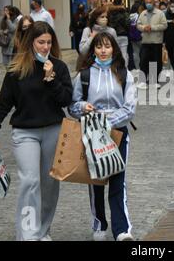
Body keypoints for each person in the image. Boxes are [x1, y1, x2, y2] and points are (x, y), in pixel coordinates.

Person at [0, 21, 73, 241]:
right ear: (31, 42)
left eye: (49, 42)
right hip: (25, 133)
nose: (45, 46)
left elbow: (66, 100)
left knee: (49, 184)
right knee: (30, 181)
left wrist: (51, 79)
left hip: (54, 130)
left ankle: (43, 230)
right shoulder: (17, 69)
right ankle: (28, 234)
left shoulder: (59, 67)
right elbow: (4, 103)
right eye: (41, 42)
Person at [69, 32, 137, 241]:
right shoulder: (84, 75)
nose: (103, 51)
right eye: (99, 47)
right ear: (93, 50)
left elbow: (130, 107)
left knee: (118, 180)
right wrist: (82, 106)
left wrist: (109, 121)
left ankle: (122, 229)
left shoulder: (125, 75)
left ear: (114, 49)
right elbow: (73, 105)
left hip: (118, 132)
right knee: (96, 180)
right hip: (92, 132)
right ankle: (99, 223)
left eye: (107, 46)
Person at [136, 0, 168, 89]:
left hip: (156, 41)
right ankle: (142, 81)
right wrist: (143, 28)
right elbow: (138, 25)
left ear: (154, 3)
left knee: (155, 61)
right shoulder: (143, 13)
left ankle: (154, 81)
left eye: (150, 2)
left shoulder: (160, 13)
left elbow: (164, 25)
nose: (148, 4)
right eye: (147, 2)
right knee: (143, 61)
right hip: (145, 41)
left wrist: (152, 28)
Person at [108, 0, 131, 66]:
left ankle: (114, 69)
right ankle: (124, 69)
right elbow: (128, 24)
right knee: (124, 53)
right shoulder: (124, 13)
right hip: (123, 35)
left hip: (112, 35)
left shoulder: (110, 13)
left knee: (113, 53)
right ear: (121, 3)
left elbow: (108, 23)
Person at [128, 1, 144, 70]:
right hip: (140, 36)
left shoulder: (130, 16)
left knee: (135, 53)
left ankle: (137, 68)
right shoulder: (140, 15)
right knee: (143, 53)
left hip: (132, 37)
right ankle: (143, 67)